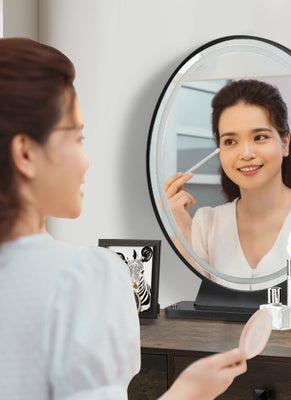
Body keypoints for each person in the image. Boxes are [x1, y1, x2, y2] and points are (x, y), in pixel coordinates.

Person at [0, 38, 246, 400]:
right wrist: (190, 392)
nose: (85, 161)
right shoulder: (83, 278)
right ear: (24, 152)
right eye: (76, 138)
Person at [164, 79, 291, 289]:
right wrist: (183, 229)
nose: (246, 154)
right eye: (230, 141)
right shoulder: (207, 224)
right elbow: (190, 302)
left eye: (259, 137)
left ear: (284, 143)